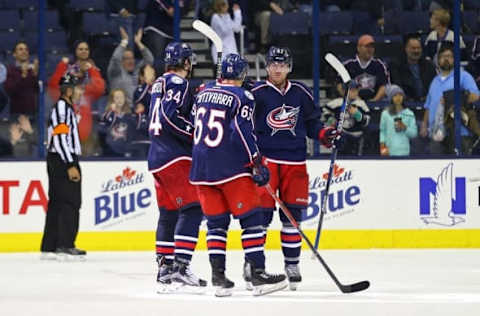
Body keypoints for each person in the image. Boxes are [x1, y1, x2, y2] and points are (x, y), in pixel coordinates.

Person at [190, 53, 287, 297]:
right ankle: (258, 274)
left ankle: (218, 277)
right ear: (243, 75)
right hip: (230, 168)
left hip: (201, 169)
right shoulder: (242, 96)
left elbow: (195, 121)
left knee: (216, 225)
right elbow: (244, 132)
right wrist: (255, 162)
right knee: (252, 219)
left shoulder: (202, 92)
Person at [249, 47, 341, 291]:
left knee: (293, 217)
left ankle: (292, 264)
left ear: (289, 67)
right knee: (260, 218)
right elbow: (244, 127)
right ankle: (254, 265)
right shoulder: (255, 93)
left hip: (296, 163)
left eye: (282, 64)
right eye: (273, 64)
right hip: (266, 162)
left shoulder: (301, 92)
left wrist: (326, 135)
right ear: (266, 66)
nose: (277, 69)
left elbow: (313, 124)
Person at [147, 42, 206, 292]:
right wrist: (195, 133)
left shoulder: (158, 83)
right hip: (175, 156)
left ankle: (165, 269)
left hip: (157, 156)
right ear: (185, 62)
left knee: (168, 212)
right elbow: (170, 116)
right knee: (193, 209)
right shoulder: (179, 83)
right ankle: (181, 266)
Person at [41, 73, 86, 260]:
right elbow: (60, 138)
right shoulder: (63, 108)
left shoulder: (65, 108)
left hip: (58, 158)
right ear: (69, 90)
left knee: (57, 202)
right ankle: (66, 243)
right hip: (62, 159)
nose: (79, 91)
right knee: (70, 202)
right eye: (76, 87)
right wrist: (70, 164)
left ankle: (50, 245)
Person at [48, 41, 106, 156]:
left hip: (86, 133)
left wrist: (92, 69)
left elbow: (99, 88)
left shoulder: (92, 73)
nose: (84, 51)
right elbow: (54, 86)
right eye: (80, 49)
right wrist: (62, 66)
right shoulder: (67, 73)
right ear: (75, 51)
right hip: (67, 131)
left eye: (86, 49)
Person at [420, 43, 479, 154]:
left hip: (459, 133)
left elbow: (475, 96)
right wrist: (424, 124)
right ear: (438, 60)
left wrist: (452, 98)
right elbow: (428, 106)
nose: (446, 59)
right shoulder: (434, 81)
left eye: (449, 56)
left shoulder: (463, 76)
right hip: (436, 134)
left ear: (454, 59)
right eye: (443, 56)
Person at [337, 35, 390, 102]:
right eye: (367, 46)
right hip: (352, 102)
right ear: (358, 48)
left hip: (375, 102)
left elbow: (384, 86)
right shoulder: (348, 65)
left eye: (372, 47)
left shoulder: (380, 65)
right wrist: (353, 99)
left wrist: (374, 101)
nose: (370, 49)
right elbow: (339, 86)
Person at [108, 27, 154, 103]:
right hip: (120, 110)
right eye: (127, 59)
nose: (131, 61)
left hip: (136, 111)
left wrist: (139, 43)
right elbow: (115, 59)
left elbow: (149, 60)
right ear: (121, 61)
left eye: (132, 58)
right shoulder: (116, 72)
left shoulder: (137, 71)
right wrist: (124, 41)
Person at [323, 86, 371, 155]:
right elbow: (325, 109)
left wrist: (358, 115)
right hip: (342, 134)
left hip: (357, 136)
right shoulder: (337, 102)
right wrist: (331, 119)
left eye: (356, 90)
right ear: (345, 91)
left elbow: (366, 121)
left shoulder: (361, 104)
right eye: (351, 90)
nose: (354, 93)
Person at [389, 35, 437, 102]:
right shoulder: (396, 66)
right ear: (406, 49)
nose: (416, 51)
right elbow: (398, 86)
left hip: (428, 101)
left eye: (418, 48)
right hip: (406, 102)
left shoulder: (429, 65)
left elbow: (435, 85)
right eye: (413, 48)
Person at [379, 85, 418, 156]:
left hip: (404, 152)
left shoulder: (409, 113)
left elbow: (414, 134)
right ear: (391, 98)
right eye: (395, 95)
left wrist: (405, 127)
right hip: (389, 152)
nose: (398, 98)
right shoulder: (385, 114)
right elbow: (382, 131)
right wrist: (383, 148)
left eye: (400, 95)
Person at [4, 41, 39, 118]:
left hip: (33, 115)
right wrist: (23, 75)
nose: (24, 51)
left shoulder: (33, 70)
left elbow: (40, 90)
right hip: (16, 114)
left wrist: (35, 75)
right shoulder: (10, 70)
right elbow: (10, 90)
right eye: (20, 49)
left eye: (26, 49)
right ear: (14, 54)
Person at [98, 88, 136, 157]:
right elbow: (102, 129)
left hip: (126, 149)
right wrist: (112, 112)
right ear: (112, 100)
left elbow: (132, 133)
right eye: (117, 98)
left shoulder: (130, 115)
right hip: (110, 149)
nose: (119, 100)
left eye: (122, 97)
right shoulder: (107, 114)